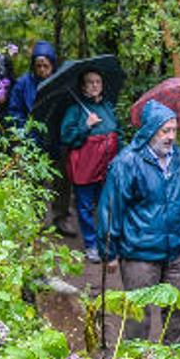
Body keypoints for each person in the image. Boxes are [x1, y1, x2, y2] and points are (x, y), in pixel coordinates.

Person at [97, 100, 180, 343]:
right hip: (139, 254)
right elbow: (111, 208)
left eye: (174, 130)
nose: (171, 136)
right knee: (137, 320)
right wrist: (109, 251)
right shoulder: (127, 162)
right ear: (150, 130)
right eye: (165, 130)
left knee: (179, 314)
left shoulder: (178, 159)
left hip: (174, 251)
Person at [7, 41, 75, 237]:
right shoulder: (23, 84)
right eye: (39, 65)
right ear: (33, 66)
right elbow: (15, 111)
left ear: (53, 64)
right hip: (34, 138)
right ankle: (37, 219)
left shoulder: (62, 83)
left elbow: (70, 110)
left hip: (57, 139)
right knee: (34, 181)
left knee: (62, 181)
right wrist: (24, 133)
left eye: (46, 65)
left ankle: (61, 218)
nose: (42, 69)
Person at [59, 70, 121, 263]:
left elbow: (117, 131)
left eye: (98, 82)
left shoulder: (107, 106)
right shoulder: (75, 110)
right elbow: (66, 137)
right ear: (83, 86)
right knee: (85, 206)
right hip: (85, 166)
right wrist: (86, 125)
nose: (95, 85)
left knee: (108, 204)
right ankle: (91, 244)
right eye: (90, 82)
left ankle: (107, 242)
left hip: (107, 165)